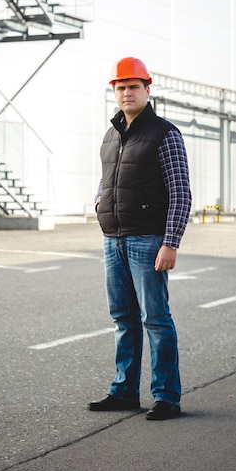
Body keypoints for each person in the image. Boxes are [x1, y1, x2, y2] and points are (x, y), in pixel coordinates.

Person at [88, 56, 192, 421]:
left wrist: (171, 241)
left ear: (148, 89)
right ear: (113, 92)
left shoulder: (165, 134)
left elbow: (180, 192)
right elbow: (105, 180)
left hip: (148, 241)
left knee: (156, 319)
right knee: (122, 318)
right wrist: (99, 204)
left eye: (134, 86)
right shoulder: (111, 134)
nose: (127, 92)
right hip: (113, 239)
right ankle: (123, 392)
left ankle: (166, 396)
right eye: (121, 87)